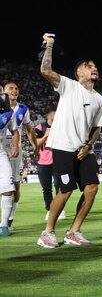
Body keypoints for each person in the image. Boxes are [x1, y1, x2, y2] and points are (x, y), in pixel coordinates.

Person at [37, 33, 102, 248]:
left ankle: (74, 231)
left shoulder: (100, 98)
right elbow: (45, 70)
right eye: (88, 66)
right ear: (79, 73)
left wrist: (89, 145)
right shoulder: (69, 86)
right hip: (63, 146)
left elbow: (96, 127)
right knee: (65, 191)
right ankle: (47, 232)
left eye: (94, 66)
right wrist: (49, 45)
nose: (93, 68)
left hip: (83, 149)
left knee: (92, 187)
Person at [2, 81, 39, 231]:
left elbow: (29, 130)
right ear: (4, 91)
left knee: (15, 184)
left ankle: (9, 219)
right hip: (1, 146)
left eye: (16, 88)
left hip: (14, 149)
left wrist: (35, 147)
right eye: (11, 88)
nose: (14, 90)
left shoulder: (23, 109)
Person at [34, 109, 66, 220]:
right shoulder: (39, 128)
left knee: (59, 186)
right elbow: (36, 143)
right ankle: (50, 210)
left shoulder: (60, 128)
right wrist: (46, 136)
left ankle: (60, 210)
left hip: (58, 161)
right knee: (46, 188)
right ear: (51, 115)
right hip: (43, 162)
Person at [0, 104, 19, 236]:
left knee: (8, 189)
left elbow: (15, 131)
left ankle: (4, 225)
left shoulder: (8, 113)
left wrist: (15, 146)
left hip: (1, 153)